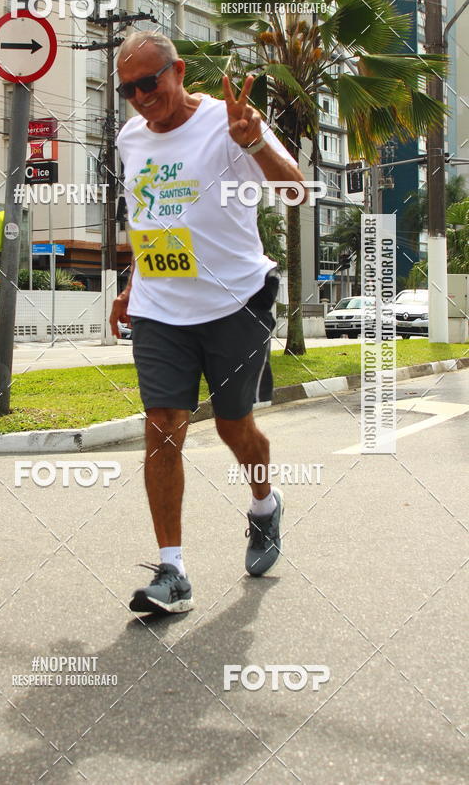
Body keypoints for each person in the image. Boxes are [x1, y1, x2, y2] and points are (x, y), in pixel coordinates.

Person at [109, 32, 308, 615]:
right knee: (163, 425)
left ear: (179, 71)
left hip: (236, 301)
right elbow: (147, 217)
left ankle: (264, 505)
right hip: (160, 305)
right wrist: (129, 286)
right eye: (129, 89)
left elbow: (294, 188)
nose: (142, 97)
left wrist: (257, 144)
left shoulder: (231, 119)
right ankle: (172, 571)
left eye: (151, 82)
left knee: (232, 426)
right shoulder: (130, 138)